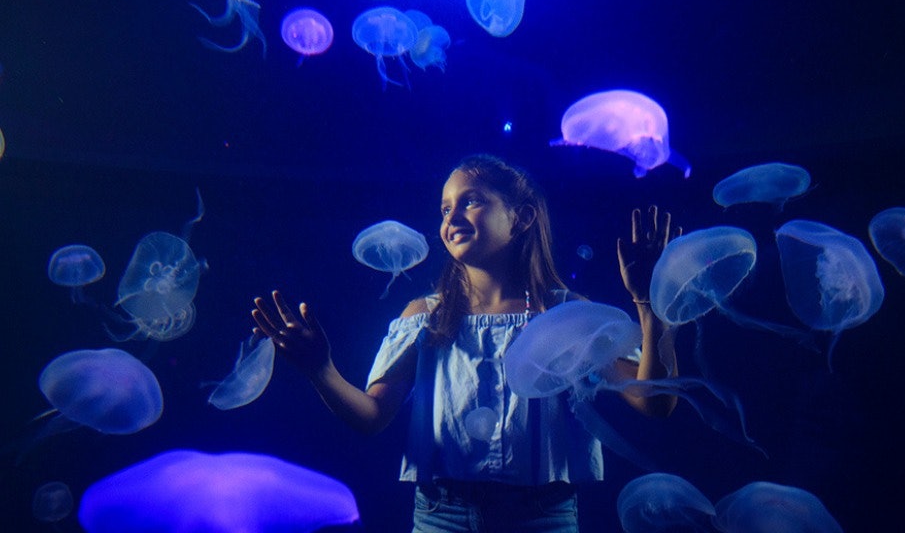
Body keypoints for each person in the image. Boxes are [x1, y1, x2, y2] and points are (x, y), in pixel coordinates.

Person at [252, 154, 681, 532]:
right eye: (444, 208)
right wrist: (320, 370)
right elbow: (371, 416)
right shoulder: (424, 316)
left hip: (541, 518)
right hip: (443, 516)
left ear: (522, 217)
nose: (451, 217)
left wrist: (650, 304)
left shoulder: (566, 313)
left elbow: (655, 403)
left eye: (471, 201)